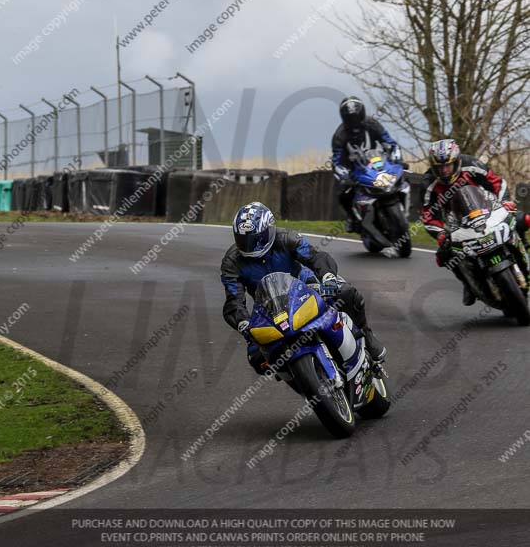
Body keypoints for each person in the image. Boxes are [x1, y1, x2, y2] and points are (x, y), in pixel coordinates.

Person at [220, 201, 386, 373]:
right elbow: (233, 301)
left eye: (255, 239)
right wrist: (243, 323)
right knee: (257, 358)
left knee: (347, 293)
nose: (249, 246)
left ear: (269, 230)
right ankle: (301, 379)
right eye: (243, 240)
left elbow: (316, 257)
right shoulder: (231, 262)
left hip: (305, 286)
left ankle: (366, 334)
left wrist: (328, 277)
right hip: (268, 307)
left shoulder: (286, 238)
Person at [421, 139, 530, 306]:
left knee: (522, 219)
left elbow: (497, 183)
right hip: (456, 222)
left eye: (447, 166)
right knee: (445, 256)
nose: (444, 171)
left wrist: (505, 202)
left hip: (488, 208)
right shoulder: (428, 183)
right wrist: (441, 234)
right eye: (439, 168)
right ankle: (468, 283)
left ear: (457, 161)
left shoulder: (472, 165)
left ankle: (525, 249)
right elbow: (427, 216)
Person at [331, 96, 403, 232]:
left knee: (402, 175)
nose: (354, 122)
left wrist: (397, 159)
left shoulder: (373, 124)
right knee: (343, 193)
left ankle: (401, 201)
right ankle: (352, 217)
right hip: (353, 167)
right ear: (344, 118)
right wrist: (344, 176)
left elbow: (390, 142)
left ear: (362, 113)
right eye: (350, 118)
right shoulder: (339, 135)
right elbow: (336, 160)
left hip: (377, 161)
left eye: (357, 117)